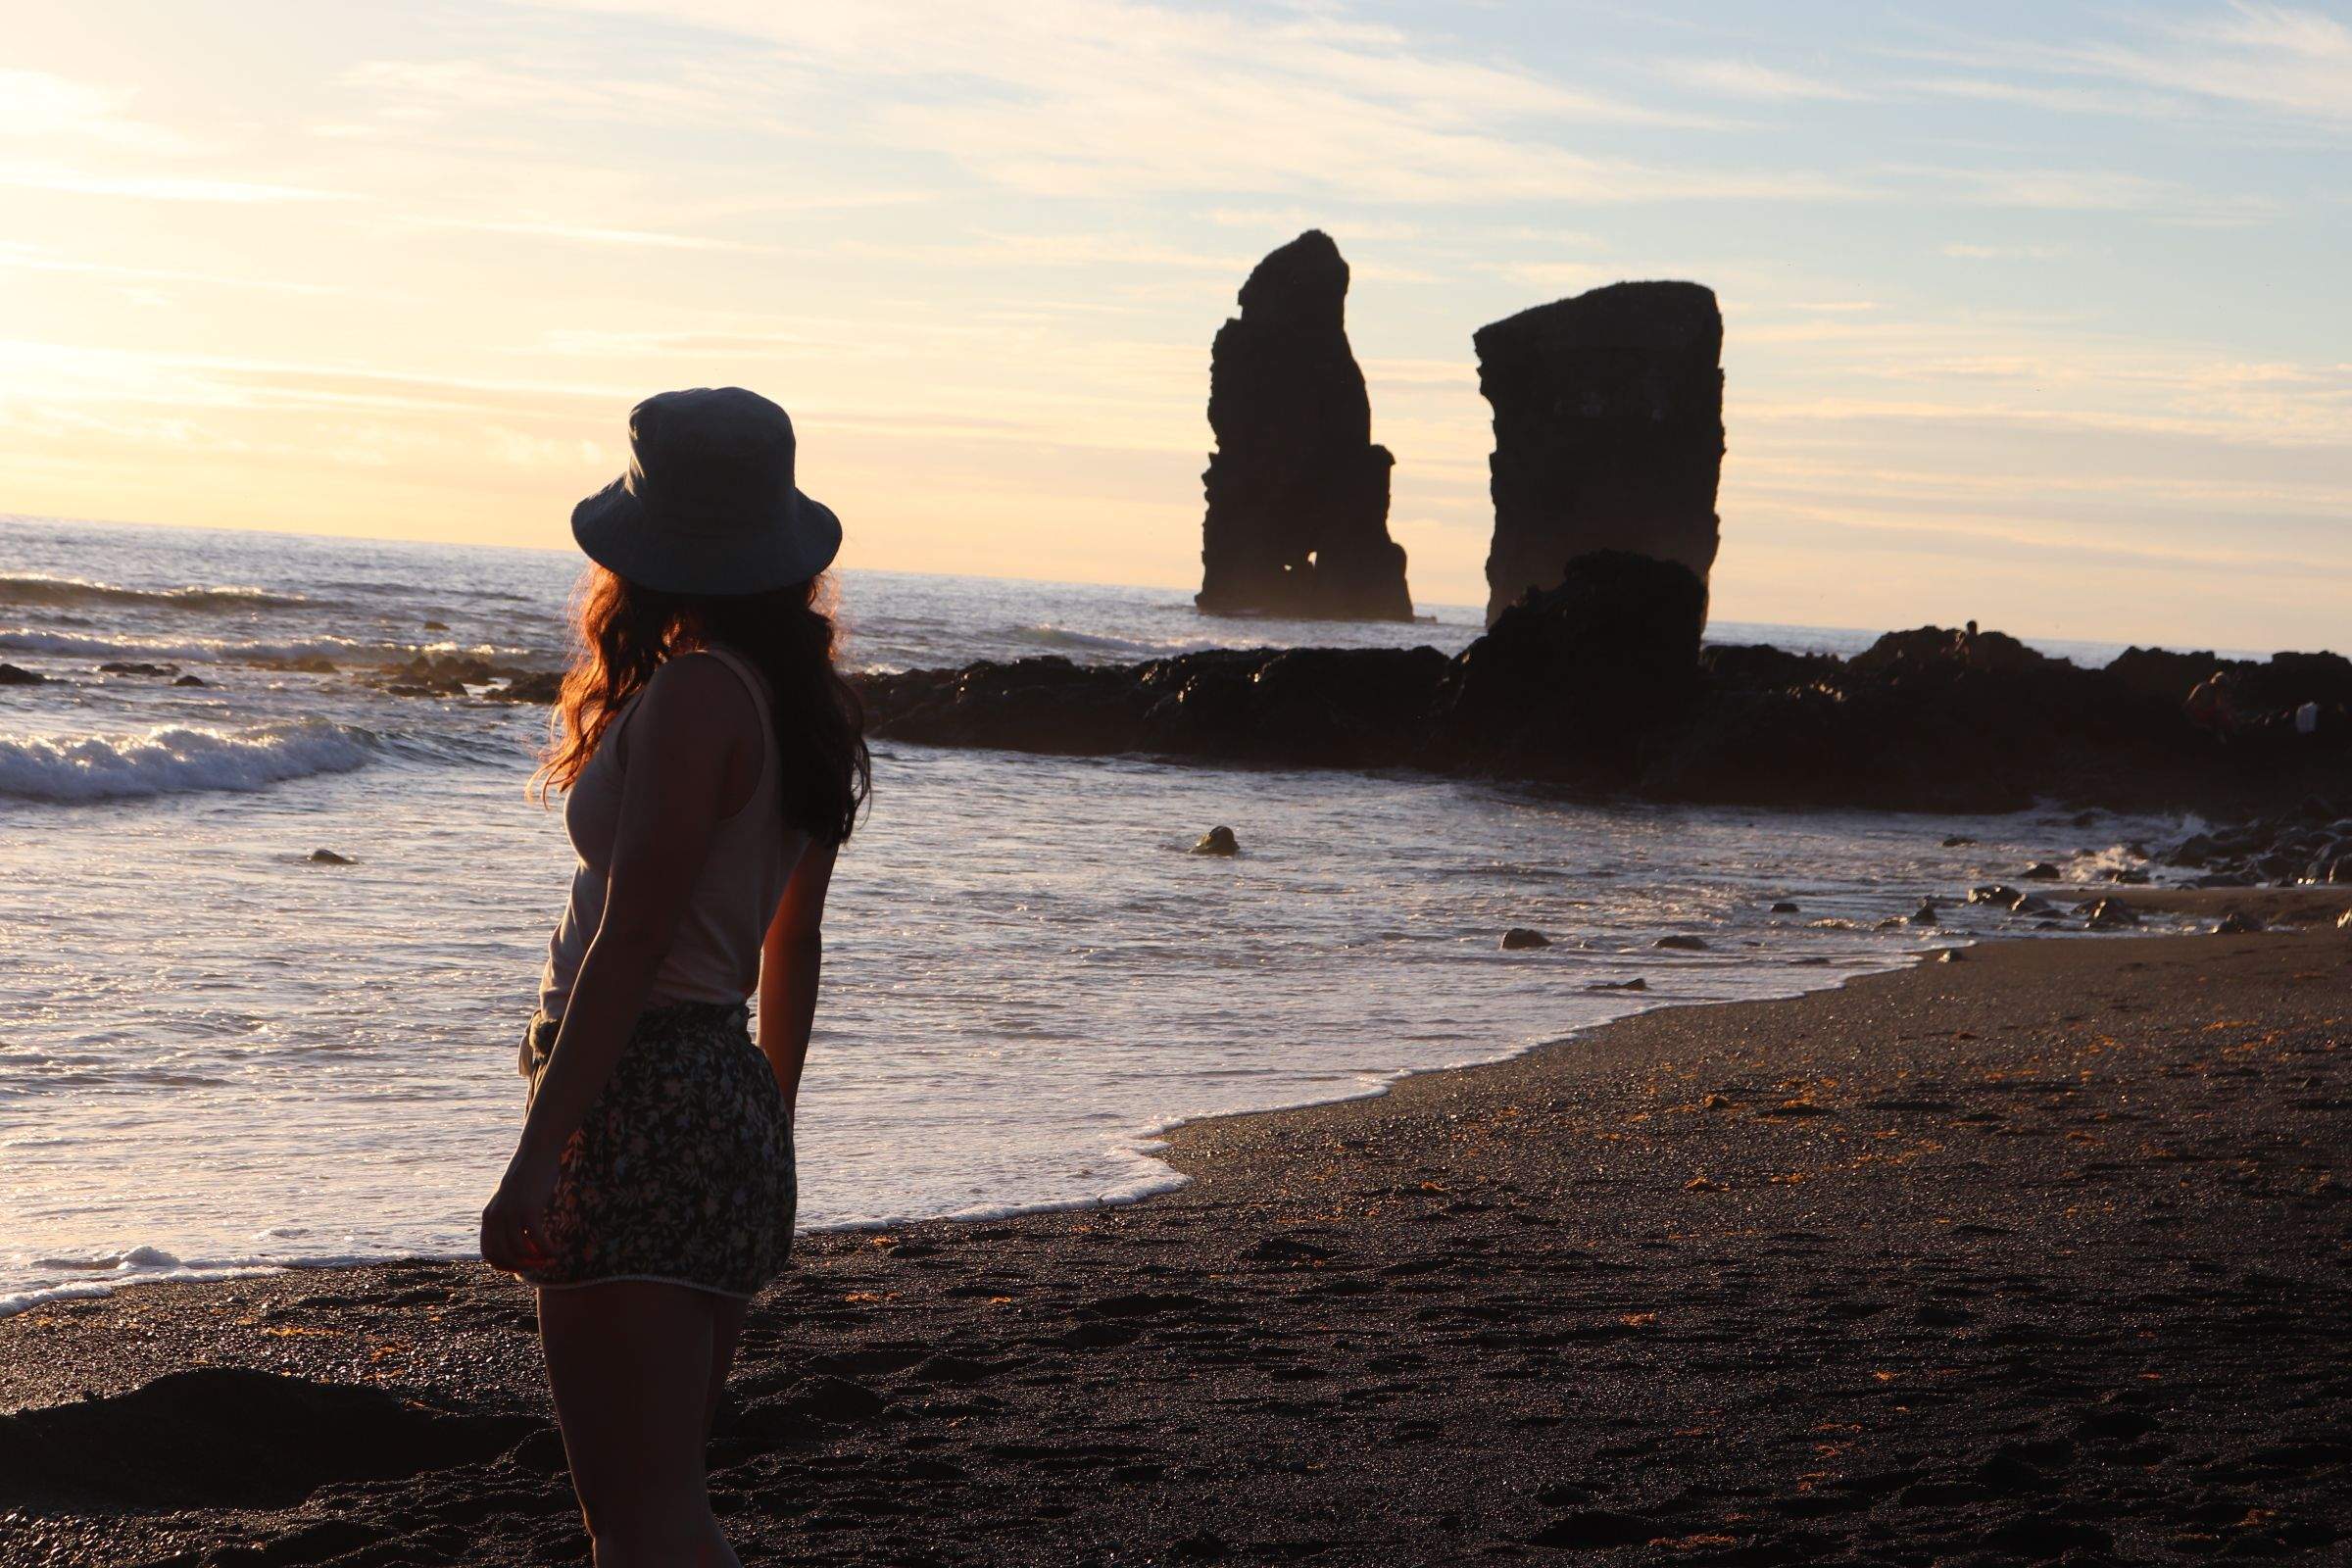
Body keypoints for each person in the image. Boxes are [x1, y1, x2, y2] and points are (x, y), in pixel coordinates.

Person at [480, 386, 870, 1567]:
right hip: (721, 1104)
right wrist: (771, 1120)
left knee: (641, 1520)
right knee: (660, 1499)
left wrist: (537, 1154)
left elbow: (637, 937)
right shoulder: (800, 706)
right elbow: (789, 944)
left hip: (644, 1100)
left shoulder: (700, 694)